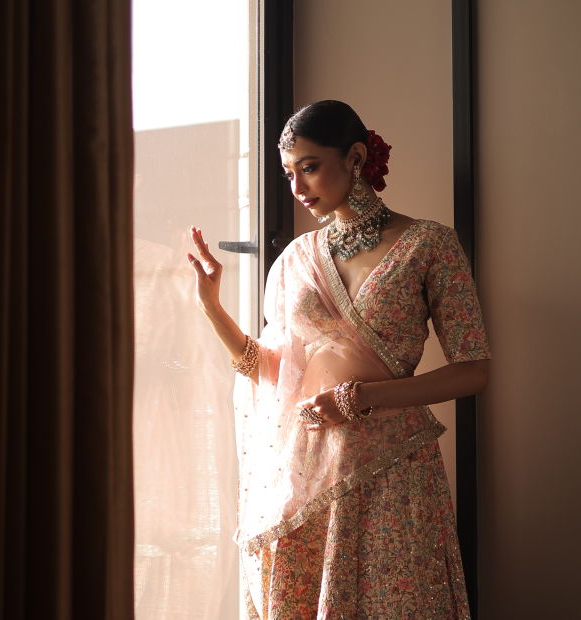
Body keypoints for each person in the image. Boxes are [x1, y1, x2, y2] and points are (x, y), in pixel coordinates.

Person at [187, 100, 491, 619]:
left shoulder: (429, 245)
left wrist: (362, 398)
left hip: (393, 472)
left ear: (355, 157)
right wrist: (212, 307)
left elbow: (474, 370)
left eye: (309, 167)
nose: (298, 189)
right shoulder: (294, 261)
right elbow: (274, 374)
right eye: (288, 173)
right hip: (307, 477)